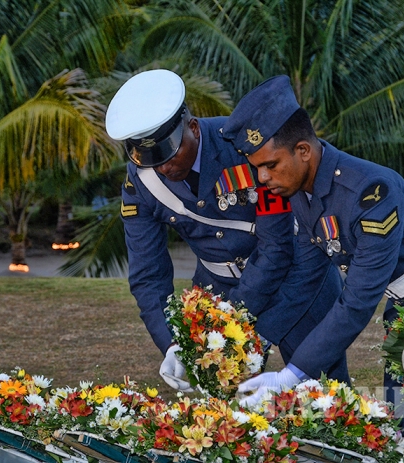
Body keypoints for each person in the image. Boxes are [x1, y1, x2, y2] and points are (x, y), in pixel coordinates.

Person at [221, 75, 404, 431]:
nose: (261, 178)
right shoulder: (303, 194)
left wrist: (292, 373)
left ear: (303, 151)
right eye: (257, 167)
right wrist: (254, 338)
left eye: (270, 165)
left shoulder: (369, 192)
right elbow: (304, 277)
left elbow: (358, 300)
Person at [105, 69, 346, 392]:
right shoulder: (141, 181)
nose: (162, 167)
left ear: (192, 128)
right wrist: (172, 342)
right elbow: (148, 274)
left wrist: (235, 319)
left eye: (168, 152)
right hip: (217, 291)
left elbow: (276, 246)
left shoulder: (244, 146)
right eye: (149, 158)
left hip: (296, 279)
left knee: (323, 394)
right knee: (225, 408)